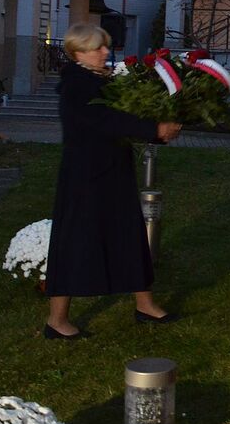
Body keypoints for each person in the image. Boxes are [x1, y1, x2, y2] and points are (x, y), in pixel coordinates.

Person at [44, 23, 181, 340]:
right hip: (86, 177)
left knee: (129, 233)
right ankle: (57, 321)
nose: (106, 52)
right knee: (74, 242)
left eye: (106, 46)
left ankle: (144, 304)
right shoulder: (77, 85)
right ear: (78, 53)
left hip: (112, 171)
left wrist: (159, 125)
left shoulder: (99, 80)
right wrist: (155, 129)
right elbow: (106, 121)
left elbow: (124, 119)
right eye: (97, 48)